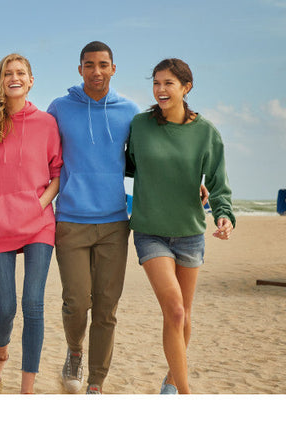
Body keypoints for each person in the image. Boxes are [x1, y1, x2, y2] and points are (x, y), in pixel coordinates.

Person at [127, 58, 235, 395]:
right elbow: (128, 166)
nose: (160, 89)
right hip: (150, 230)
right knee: (173, 309)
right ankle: (185, 395)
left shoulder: (206, 133)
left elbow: (218, 183)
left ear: (186, 88)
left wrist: (223, 215)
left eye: (168, 83)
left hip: (189, 233)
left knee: (184, 315)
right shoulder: (140, 125)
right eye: (156, 83)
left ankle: (171, 381)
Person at [47, 41, 140, 395]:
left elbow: (151, 158)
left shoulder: (129, 112)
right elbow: (41, 150)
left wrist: (195, 185)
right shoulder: (59, 108)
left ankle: (96, 382)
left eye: (103, 65)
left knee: (106, 307)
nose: (96, 71)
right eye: (89, 65)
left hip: (115, 223)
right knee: (76, 301)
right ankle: (74, 350)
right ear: (80, 69)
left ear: (113, 68)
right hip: (70, 219)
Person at [0, 53, 62, 394]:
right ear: (0, 81)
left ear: (30, 81)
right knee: (5, 308)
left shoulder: (46, 123)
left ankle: (27, 390)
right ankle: (1, 353)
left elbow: (57, 172)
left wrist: (38, 205)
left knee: (33, 303)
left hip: (39, 223)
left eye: (20, 73)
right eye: (7, 73)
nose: (14, 77)